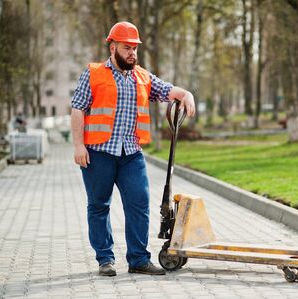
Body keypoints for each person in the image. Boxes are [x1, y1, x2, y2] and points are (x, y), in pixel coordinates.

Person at [70, 21, 195, 277]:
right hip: (98, 153)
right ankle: (105, 259)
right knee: (99, 205)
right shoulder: (93, 73)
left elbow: (168, 90)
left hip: (131, 154)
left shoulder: (142, 76)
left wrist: (187, 94)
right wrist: (78, 145)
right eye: (127, 48)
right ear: (113, 46)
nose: (132, 53)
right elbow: (77, 109)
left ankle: (138, 260)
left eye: (135, 49)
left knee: (139, 203)